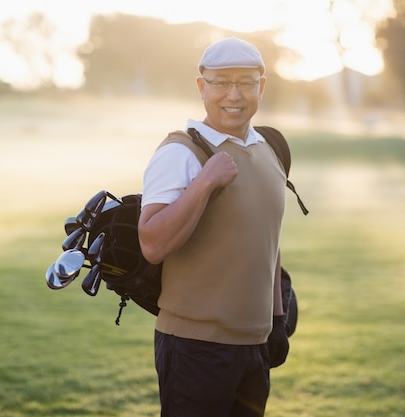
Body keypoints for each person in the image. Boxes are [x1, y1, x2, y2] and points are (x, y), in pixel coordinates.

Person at [138, 37, 289, 417]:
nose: (233, 95)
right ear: (201, 87)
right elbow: (152, 243)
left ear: (262, 86)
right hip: (195, 348)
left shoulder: (267, 149)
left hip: (254, 346)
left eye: (245, 82)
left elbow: (268, 242)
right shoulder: (180, 153)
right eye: (221, 82)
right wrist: (204, 182)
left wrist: (276, 320)